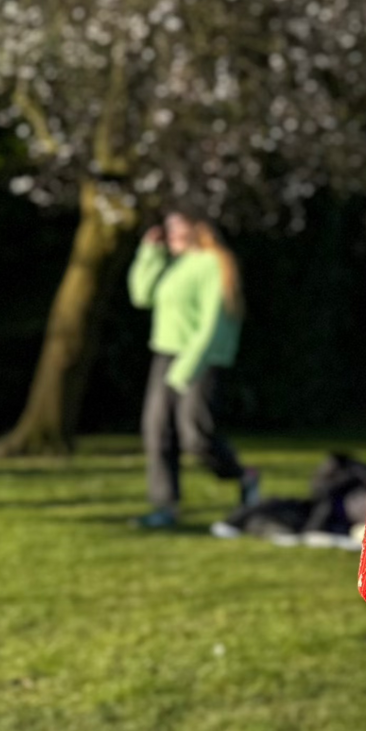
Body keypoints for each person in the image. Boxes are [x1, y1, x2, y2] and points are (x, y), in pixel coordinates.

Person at [127, 210, 258, 528]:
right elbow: (141, 296)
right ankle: (164, 507)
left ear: (198, 228)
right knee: (157, 432)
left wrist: (186, 369)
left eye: (178, 227)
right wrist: (149, 253)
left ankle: (244, 476)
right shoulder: (173, 264)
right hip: (165, 354)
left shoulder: (214, 263)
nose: (171, 233)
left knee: (195, 436)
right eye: (168, 227)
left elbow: (213, 324)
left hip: (201, 357)